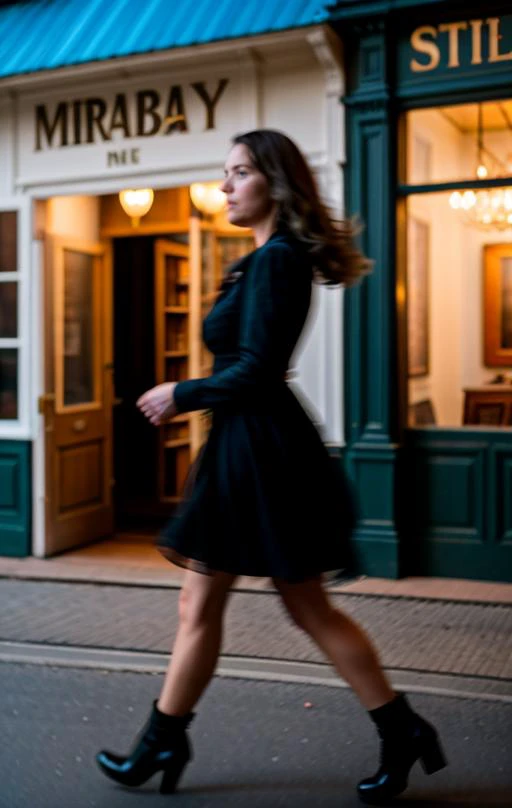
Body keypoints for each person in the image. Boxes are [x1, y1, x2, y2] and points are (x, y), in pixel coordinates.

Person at [95, 129, 446, 804]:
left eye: (238, 173)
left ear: (274, 185)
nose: (224, 185)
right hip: (245, 446)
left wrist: (182, 392)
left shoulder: (278, 260)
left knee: (302, 604)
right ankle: (164, 738)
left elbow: (256, 371)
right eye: (224, 173)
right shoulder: (256, 262)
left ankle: (399, 728)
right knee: (209, 600)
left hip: (260, 452)